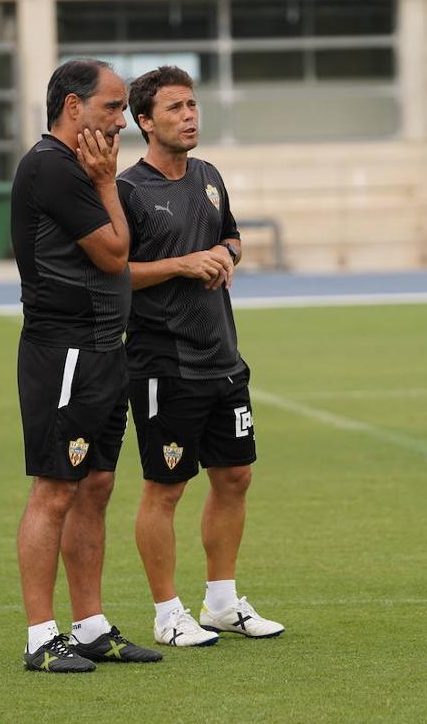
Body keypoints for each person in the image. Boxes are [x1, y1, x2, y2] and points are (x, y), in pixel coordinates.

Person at [117, 66, 285, 647]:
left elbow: (231, 236)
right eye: (175, 108)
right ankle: (167, 614)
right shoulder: (128, 191)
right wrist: (182, 265)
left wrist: (224, 254)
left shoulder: (209, 176)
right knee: (165, 488)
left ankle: (221, 603)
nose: (189, 116)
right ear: (145, 122)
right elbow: (112, 274)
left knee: (235, 476)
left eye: (192, 105)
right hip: (164, 364)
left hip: (224, 359)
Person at [11, 58, 161, 672]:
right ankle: (40, 638)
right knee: (55, 490)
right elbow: (115, 254)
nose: (123, 120)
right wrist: (106, 184)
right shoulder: (52, 166)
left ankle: (92, 626)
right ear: (73, 107)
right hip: (65, 351)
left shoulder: (78, 167)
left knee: (96, 486)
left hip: (104, 347)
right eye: (112, 106)